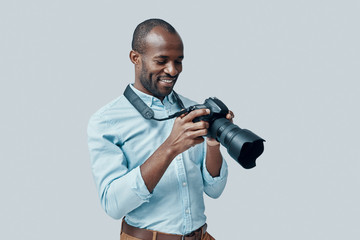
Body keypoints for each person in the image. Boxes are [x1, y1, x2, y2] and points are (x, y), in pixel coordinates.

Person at [87, 18, 233, 240]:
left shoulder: (192, 109)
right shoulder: (106, 121)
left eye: (179, 61)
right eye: (161, 60)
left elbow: (214, 190)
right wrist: (169, 149)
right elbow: (113, 206)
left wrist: (213, 144)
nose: (172, 70)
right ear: (135, 58)